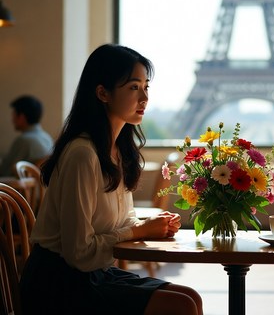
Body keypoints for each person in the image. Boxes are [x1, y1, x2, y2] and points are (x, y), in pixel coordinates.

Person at [20, 44, 203, 315]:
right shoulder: (83, 154)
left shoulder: (117, 151)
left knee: (190, 297)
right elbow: (78, 252)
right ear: (102, 93)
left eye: (146, 87)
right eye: (133, 87)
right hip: (57, 282)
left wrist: (149, 225)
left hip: (91, 274)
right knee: (181, 305)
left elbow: (116, 222)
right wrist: (140, 230)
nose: (144, 98)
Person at [0, 95, 53, 176]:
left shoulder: (23, 141)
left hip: (16, 188)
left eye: (13, 115)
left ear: (21, 117)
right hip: (39, 188)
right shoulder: (47, 138)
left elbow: (7, 173)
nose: (12, 120)